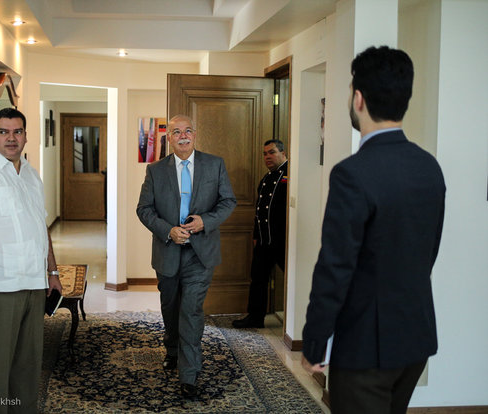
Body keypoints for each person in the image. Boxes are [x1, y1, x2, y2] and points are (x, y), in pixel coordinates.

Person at [301, 46, 446, 414]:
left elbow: (335, 266)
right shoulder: (429, 167)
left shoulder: (353, 173)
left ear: (358, 98)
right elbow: (427, 253)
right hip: (415, 338)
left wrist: (315, 340)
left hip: (367, 347)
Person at [0, 108, 62, 413]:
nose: (11, 138)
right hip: (1, 285)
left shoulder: (31, 174)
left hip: (34, 282)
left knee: (28, 364)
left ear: (26, 136)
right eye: (4, 132)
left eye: (17, 132)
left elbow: (40, 228)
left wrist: (52, 271)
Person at [136, 114, 236, 399]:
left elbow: (228, 201)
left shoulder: (214, 164)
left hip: (200, 253)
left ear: (195, 135)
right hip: (168, 251)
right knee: (170, 307)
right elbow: (144, 209)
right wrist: (168, 230)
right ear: (169, 138)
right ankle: (171, 350)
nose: (183, 136)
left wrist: (205, 221)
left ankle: (189, 374)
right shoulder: (155, 170)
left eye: (188, 131)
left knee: (191, 310)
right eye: (177, 131)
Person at [233, 139, 288, 329]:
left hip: (283, 241)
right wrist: (256, 235)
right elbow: (259, 211)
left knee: (294, 278)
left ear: (283, 152)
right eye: (265, 154)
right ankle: (255, 318)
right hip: (264, 240)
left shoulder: (291, 175)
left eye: (271, 152)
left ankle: (298, 322)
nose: (267, 157)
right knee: (258, 279)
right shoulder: (266, 179)